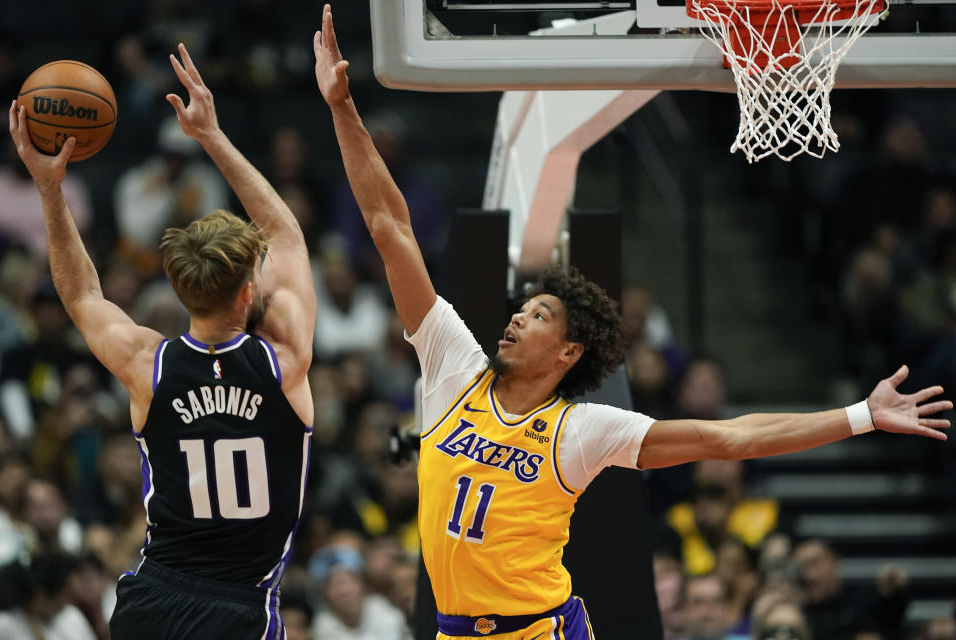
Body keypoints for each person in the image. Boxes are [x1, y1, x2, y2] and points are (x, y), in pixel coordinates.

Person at [313, 5, 952, 638]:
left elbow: (729, 439)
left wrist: (861, 416)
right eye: (520, 308)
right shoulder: (454, 363)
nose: (514, 317)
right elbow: (390, 228)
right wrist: (343, 108)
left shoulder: (582, 429)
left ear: (567, 352)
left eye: (538, 314)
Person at [8, 40, 317, 640]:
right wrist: (212, 137)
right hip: (239, 608)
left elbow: (83, 296)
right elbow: (286, 234)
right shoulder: (286, 361)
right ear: (249, 292)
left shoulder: (146, 363)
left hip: (152, 599)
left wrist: (50, 188)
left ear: (179, 290)